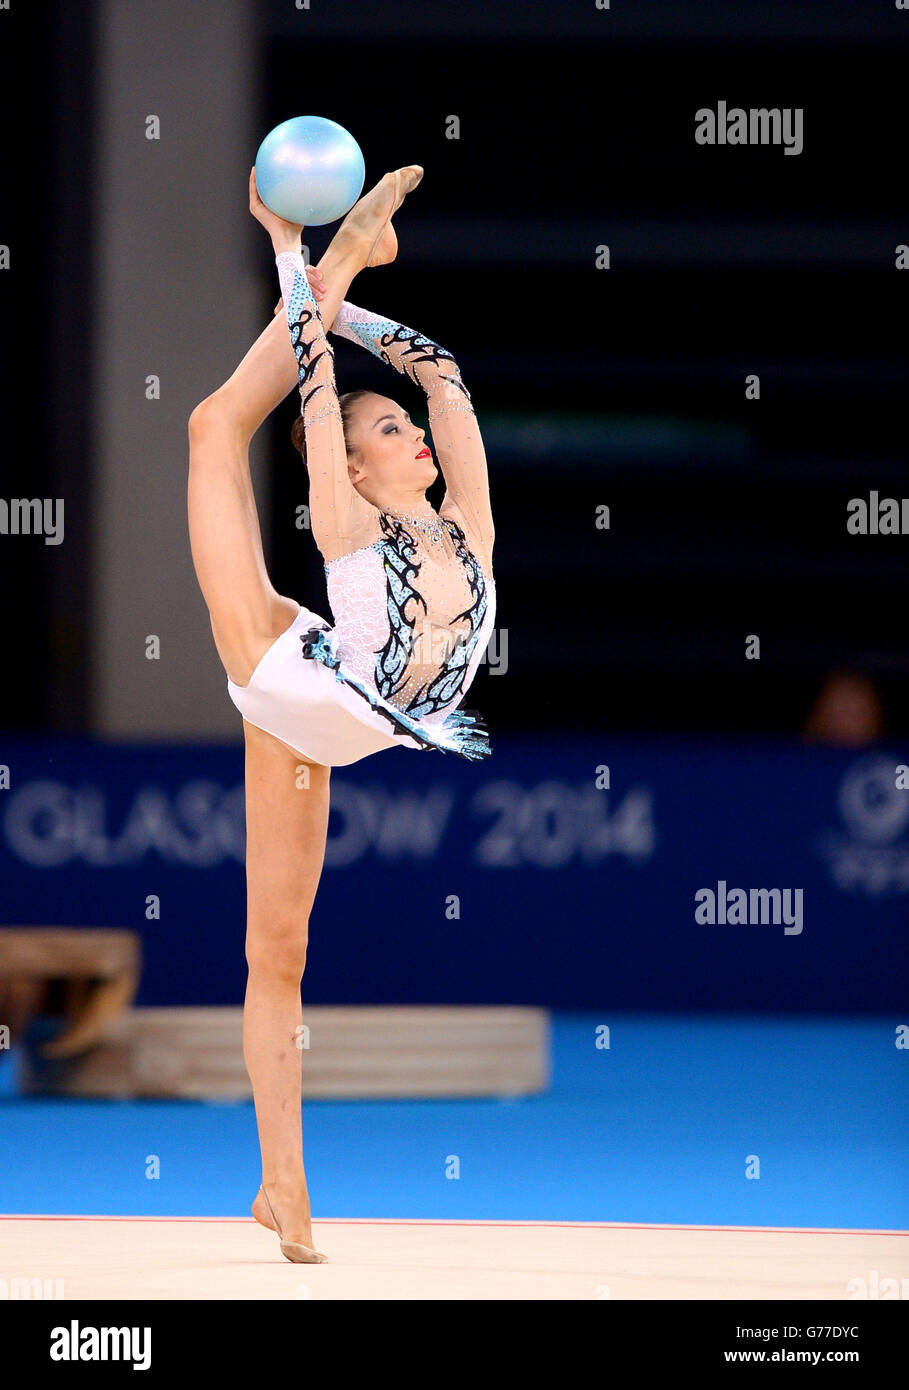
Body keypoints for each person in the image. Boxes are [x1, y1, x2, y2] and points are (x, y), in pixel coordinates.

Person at [187, 165, 496, 1262]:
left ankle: (275, 1185)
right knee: (214, 429)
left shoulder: (469, 523)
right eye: (384, 431)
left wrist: (350, 284)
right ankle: (289, 1188)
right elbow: (314, 386)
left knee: (282, 950)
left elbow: (443, 371)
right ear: (352, 471)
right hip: (289, 681)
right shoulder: (348, 531)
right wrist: (298, 257)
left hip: (349, 714)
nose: (410, 430)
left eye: (406, 425)